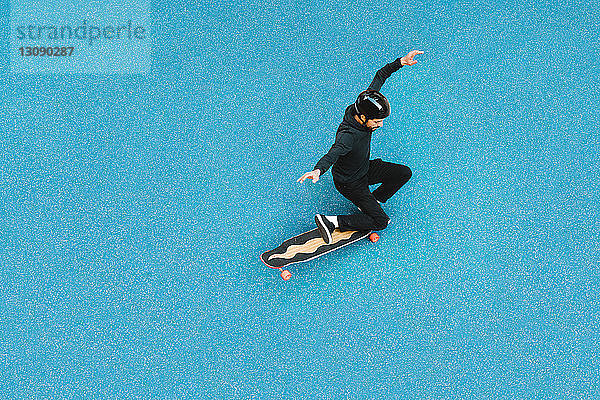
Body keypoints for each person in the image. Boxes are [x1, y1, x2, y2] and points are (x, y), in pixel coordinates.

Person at [297, 50, 424, 244]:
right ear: (363, 118)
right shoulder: (348, 136)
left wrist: (400, 62)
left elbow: (380, 76)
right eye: (377, 121)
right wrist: (318, 170)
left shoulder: (363, 103)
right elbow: (333, 153)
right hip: (350, 183)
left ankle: (373, 202)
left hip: (363, 169)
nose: (380, 125)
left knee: (404, 173)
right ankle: (331, 221)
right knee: (381, 221)